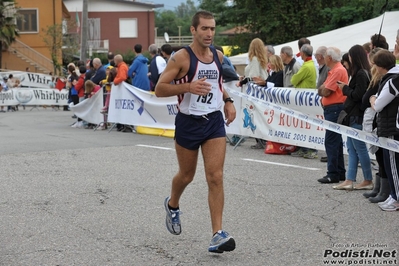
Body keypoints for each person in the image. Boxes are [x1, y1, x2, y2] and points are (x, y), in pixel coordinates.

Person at [155, 10, 236, 253]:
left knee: (215, 176)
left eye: (212, 28)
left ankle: (217, 234)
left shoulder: (219, 57)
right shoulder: (181, 58)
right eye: (205, 29)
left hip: (213, 122)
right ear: (193, 30)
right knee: (186, 175)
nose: (210, 33)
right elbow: (159, 88)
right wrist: (188, 86)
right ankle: (172, 204)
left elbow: (218, 85)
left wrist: (229, 101)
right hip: (188, 123)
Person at [333, 44, 372, 190]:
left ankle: (368, 179)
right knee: (351, 147)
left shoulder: (361, 73)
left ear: (354, 56)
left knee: (359, 147)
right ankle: (349, 179)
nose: (348, 58)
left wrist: (345, 89)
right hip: (353, 115)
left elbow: (358, 95)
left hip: (357, 116)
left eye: (349, 55)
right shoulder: (360, 73)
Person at [370, 50, 399, 211]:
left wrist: (373, 99)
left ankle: (396, 198)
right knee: (391, 165)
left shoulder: (392, 80)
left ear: (380, 66)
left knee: (393, 166)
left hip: (391, 128)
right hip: (391, 126)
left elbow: (379, 105)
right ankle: (393, 195)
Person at [362, 48, 389, 202]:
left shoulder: (381, 80)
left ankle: (384, 191)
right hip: (375, 121)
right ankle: (379, 188)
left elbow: (370, 100)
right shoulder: (375, 79)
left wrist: (371, 99)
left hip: (380, 121)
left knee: (383, 156)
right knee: (380, 157)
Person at [317, 47, 348, 184]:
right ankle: (339, 171)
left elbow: (326, 91)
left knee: (331, 141)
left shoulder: (337, 71)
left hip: (334, 109)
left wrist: (323, 89)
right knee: (336, 141)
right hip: (333, 108)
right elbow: (322, 88)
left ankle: (333, 173)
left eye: (324, 56)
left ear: (329, 57)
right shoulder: (336, 70)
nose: (323, 58)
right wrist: (323, 89)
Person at [290, 44, 318, 159]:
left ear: (303, 53)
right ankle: (304, 148)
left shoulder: (306, 66)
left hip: (304, 98)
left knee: (306, 125)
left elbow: (294, 79)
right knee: (304, 125)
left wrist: (295, 79)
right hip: (305, 97)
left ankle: (311, 149)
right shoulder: (310, 64)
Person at [315, 46, 330, 163]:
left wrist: (321, 90)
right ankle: (328, 152)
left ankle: (330, 153)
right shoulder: (322, 67)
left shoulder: (328, 68)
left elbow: (326, 85)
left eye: (316, 56)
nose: (316, 58)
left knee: (331, 133)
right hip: (324, 101)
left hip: (329, 101)